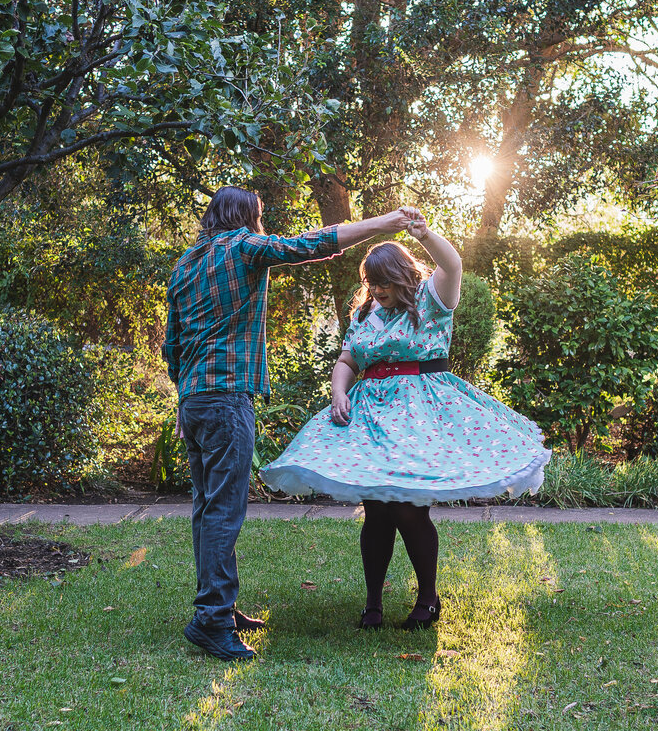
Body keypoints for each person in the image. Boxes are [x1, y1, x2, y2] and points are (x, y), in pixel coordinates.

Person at [162, 185, 417, 661]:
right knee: (223, 511)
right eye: (259, 215)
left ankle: (220, 606)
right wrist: (385, 223)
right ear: (246, 217)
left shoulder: (185, 264)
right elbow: (312, 243)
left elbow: (172, 345)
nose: (261, 223)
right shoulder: (243, 246)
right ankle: (212, 619)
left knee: (206, 508)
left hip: (196, 401)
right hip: (227, 398)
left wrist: (184, 399)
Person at [260, 213, 549, 630]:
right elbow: (348, 360)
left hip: (420, 414)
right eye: (372, 283)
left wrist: (425, 234)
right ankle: (373, 603)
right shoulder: (365, 313)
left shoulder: (432, 298)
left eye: (385, 282)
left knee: (410, 511)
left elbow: (453, 264)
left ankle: (428, 598)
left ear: (402, 275)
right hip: (371, 417)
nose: (378, 290)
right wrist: (339, 392)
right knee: (376, 510)